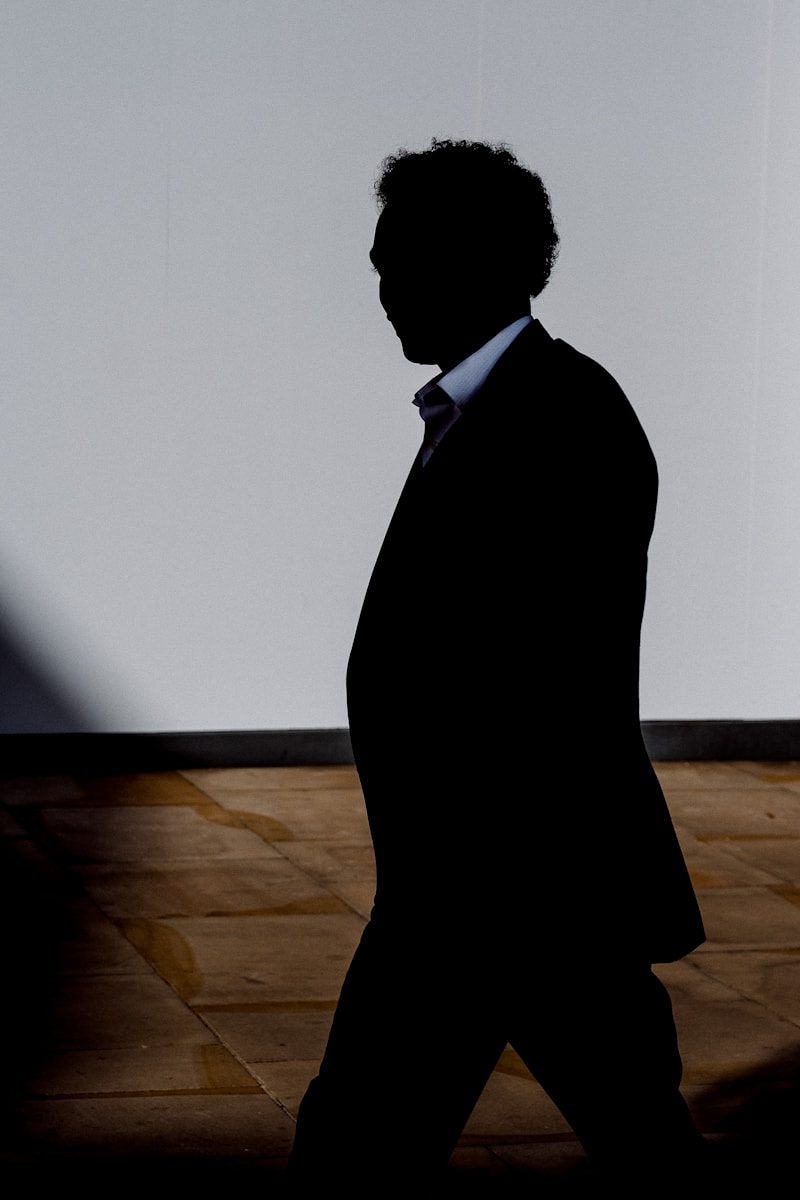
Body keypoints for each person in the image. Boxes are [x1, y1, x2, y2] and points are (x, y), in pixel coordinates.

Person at [287, 138, 706, 1189]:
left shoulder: (559, 416)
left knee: (352, 1153)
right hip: (498, 891)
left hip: (505, 889)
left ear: (472, 262)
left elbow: (544, 678)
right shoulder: (491, 406)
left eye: (397, 263)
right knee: (635, 1141)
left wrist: (451, 886)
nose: (380, 291)